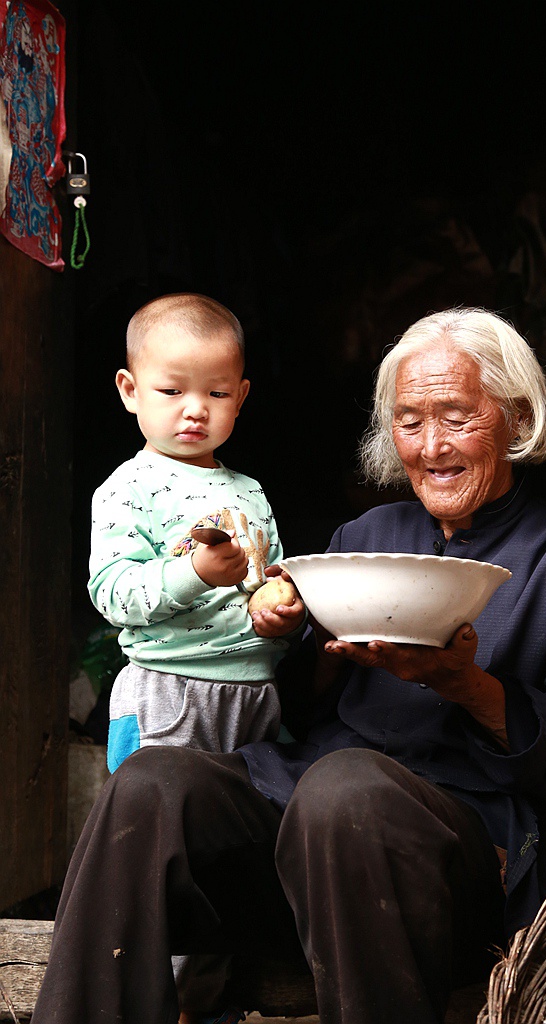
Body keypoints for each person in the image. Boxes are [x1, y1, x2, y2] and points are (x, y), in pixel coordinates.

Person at [32, 306, 546, 1024]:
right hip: (306, 838)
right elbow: (291, 708)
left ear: (514, 418)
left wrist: (466, 686)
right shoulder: (365, 536)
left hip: (466, 860)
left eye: (455, 416)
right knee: (152, 783)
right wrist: (300, 641)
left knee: (345, 787)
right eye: (410, 420)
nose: (431, 445)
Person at [86, 292, 305, 1019]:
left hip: (252, 697)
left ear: (240, 397)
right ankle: (153, 1001)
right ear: (129, 390)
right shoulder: (127, 490)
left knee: (230, 860)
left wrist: (273, 609)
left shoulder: (247, 491)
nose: (193, 410)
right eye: (171, 390)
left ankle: (205, 1002)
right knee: (155, 857)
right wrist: (191, 574)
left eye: (215, 393)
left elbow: (259, 583)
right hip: (165, 694)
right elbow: (115, 594)